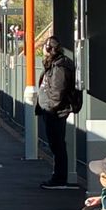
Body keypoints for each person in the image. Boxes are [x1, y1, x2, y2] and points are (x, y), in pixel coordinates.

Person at [37, 37, 77, 189]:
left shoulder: (59, 66)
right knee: (56, 144)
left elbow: (58, 90)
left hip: (55, 112)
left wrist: (50, 107)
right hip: (52, 110)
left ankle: (59, 178)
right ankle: (58, 177)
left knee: (57, 144)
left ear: (49, 49)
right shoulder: (56, 64)